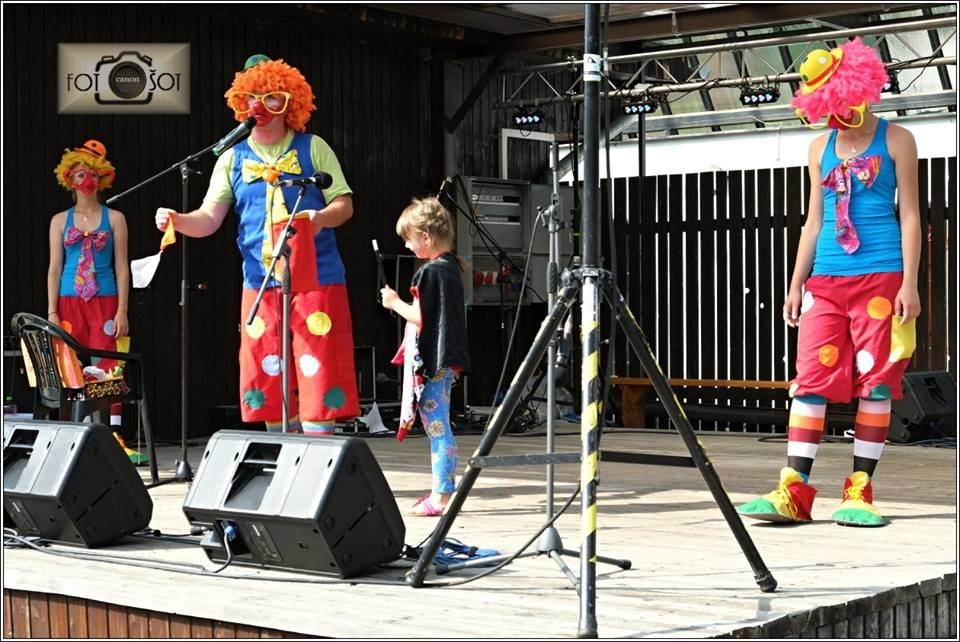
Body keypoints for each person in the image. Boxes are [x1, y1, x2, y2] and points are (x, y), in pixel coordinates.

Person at [737, 37, 921, 527]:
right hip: (826, 278)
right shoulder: (819, 147)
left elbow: (909, 215)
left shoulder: (898, 139)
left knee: (877, 382)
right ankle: (793, 490)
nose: (835, 117)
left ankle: (859, 490)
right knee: (809, 380)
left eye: (841, 106)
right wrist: (796, 283)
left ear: (859, 93)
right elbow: (813, 221)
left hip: (882, 276)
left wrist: (910, 283)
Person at [155, 55, 359, 435]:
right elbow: (209, 219)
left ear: (290, 103)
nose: (260, 107)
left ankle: (319, 457)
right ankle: (283, 453)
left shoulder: (313, 147)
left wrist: (319, 218)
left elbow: (344, 205)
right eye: (252, 98)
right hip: (260, 280)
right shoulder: (231, 159)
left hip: (317, 278)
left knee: (318, 363)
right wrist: (178, 221)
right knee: (267, 367)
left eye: (271, 98)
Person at [48, 140, 142, 462]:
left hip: (105, 300)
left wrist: (122, 310)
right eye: (79, 174)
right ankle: (78, 434)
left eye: (91, 174)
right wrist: (52, 311)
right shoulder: (59, 221)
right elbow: (54, 268)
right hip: (69, 300)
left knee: (109, 367)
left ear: (101, 178)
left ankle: (114, 435)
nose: (86, 180)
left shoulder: (115, 218)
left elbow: (122, 266)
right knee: (73, 368)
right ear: (69, 179)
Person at [380, 197, 470, 516]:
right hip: (445, 359)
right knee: (438, 423)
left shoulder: (431, 272)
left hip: (433, 360)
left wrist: (394, 302)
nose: (406, 245)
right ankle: (441, 490)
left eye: (409, 238)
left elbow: (421, 317)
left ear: (426, 237)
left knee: (437, 426)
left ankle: (441, 495)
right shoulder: (450, 268)